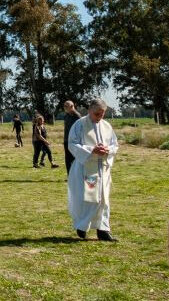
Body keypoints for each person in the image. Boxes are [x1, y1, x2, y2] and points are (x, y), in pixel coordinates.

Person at [67, 98, 119, 241]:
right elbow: (72, 144)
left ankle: (103, 230)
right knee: (89, 199)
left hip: (102, 170)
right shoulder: (80, 125)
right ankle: (82, 226)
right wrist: (92, 150)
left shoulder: (107, 126)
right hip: (86, 169)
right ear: (89, 110)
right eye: (97, 114)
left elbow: (115, 145)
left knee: (103, 200)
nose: (100, 117)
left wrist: (107, 149)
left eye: (102, 114)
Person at [62, 100, 80, 174]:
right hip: (67, 140)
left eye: (66, 106)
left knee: (75, 159)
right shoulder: (66, 116)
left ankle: (76, 175)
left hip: (74, 141)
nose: (64, 107)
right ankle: (69, 175)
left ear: (72, 106)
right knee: (67, 159)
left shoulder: (77, 116)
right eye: (64, 106)